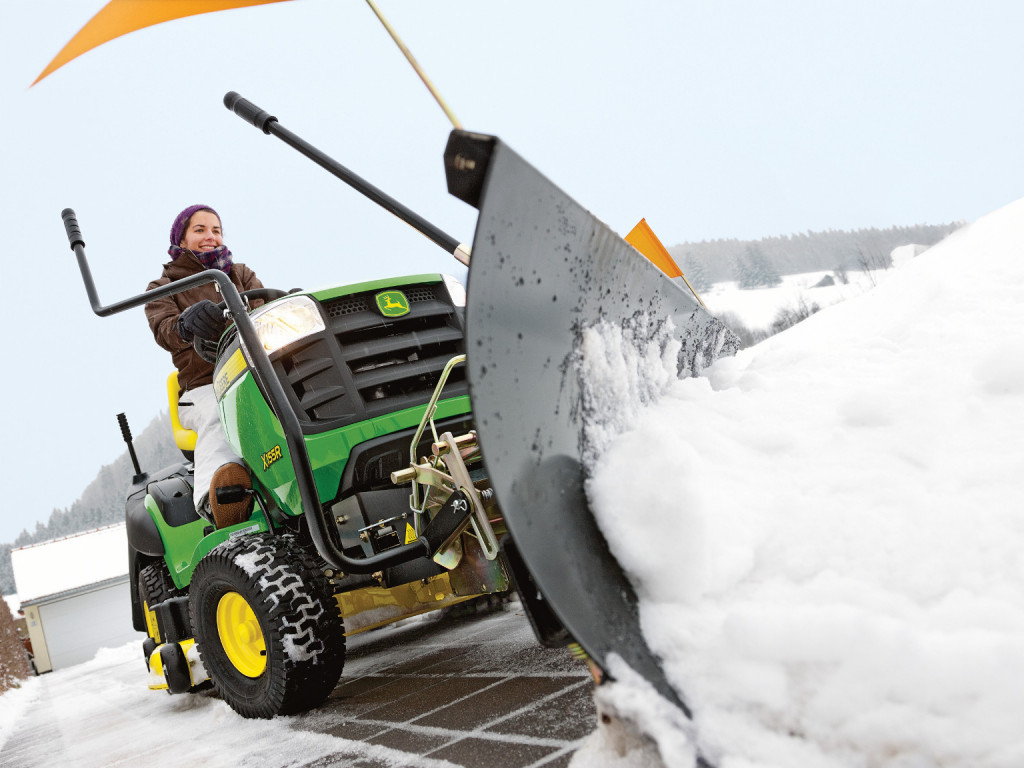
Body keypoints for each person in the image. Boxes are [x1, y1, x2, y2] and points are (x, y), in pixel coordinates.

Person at [145, 204, 263, 529]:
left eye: (217, 230)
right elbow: (164, 329)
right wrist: (186, 324)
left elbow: (263, 309)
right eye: (200, 230)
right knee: (219, 412)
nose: (210, 236)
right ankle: (217, 499)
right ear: (181, 239)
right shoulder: (164, 286)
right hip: (204, 386)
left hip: (255, 374)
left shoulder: (239, 274)